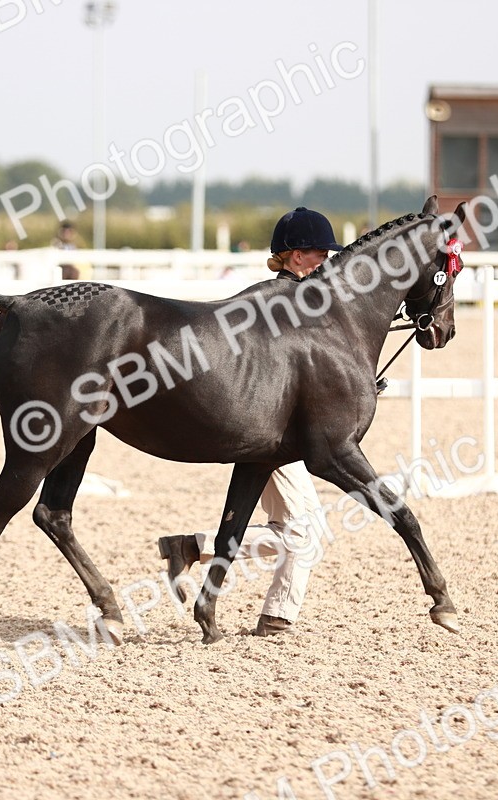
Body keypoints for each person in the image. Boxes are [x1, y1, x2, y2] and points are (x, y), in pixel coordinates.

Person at [157, 207, 343, 637]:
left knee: (301, 530)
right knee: (305, 532)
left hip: (279, 428)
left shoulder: (287, 301)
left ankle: (192, 548)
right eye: (321, 253)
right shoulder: (285, 304)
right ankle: (276, 619)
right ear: (297, 257)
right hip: (274, 432)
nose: (327, 262)